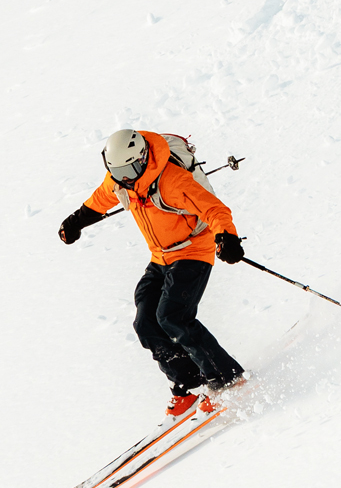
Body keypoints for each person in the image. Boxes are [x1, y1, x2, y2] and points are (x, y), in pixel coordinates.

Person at [59, 128, 246, 415]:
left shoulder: (172, 181)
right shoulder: (121, 180)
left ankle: (227, 379)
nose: (124, 176)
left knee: (173, 316)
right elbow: (100, 199)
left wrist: (227, 238)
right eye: (117, 170)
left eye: (130, 169)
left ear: (144, 158)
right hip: (161, 256)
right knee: (145, 320)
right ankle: (189, 383)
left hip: (193, 250)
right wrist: (74, 222)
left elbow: (213, 209)